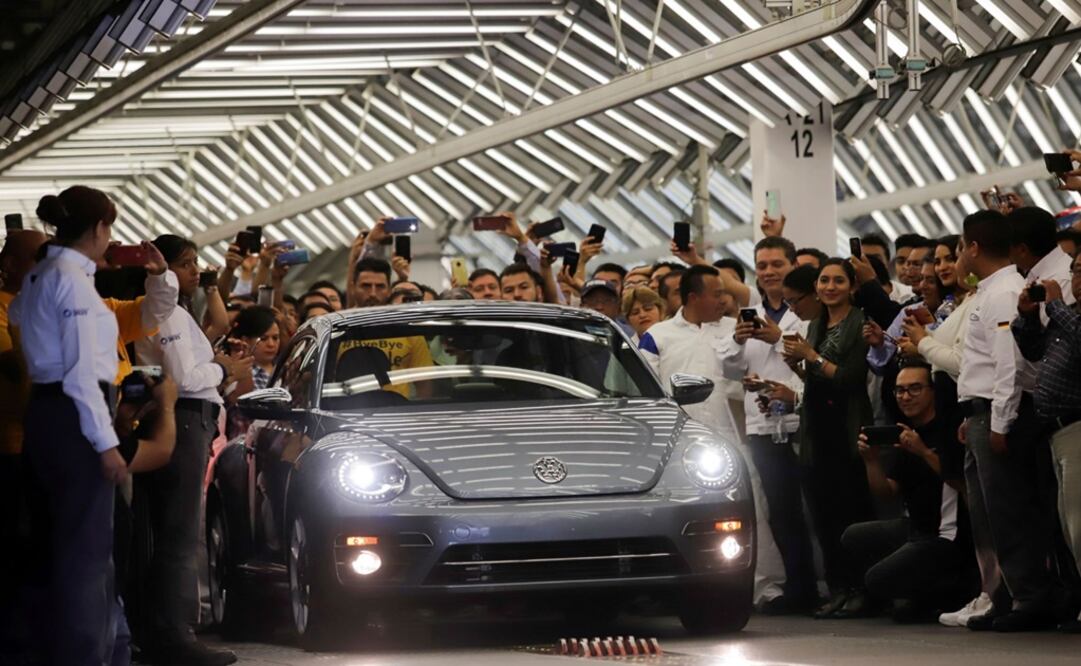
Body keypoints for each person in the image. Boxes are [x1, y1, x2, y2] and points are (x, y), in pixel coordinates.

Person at [10, 187, 129, 665]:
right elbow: (82, 374)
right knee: (85, 552)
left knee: (50, 544)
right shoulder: (72, 281)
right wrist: (106, 444)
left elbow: (19, 316)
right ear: (100, 228)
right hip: (75, 414)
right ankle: (85, 657)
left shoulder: (39, 275)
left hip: (41, 411)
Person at [639, 265, 787, 607]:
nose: (724, 299)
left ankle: (768, 588)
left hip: (733, 435)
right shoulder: (657, 336)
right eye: (716, 293)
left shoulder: (735, 330)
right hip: (678, 445)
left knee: (754, 510)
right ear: (693, 297)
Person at [133, 235, 247, 665]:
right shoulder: (165, 314)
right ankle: (174, 634)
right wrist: (223, 368)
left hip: (182, 416)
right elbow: (181, 374)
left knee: (170, 531)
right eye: (186, 263)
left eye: (196, 261)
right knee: (178, 532)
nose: (195, 271)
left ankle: (165, 629)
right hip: (180, 415)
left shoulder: (176, 312)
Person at [956, 209, 1058, 632]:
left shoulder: (1004, 291)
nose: (959, 256)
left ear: (974, 247)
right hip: (979, 412)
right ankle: (1002, 596)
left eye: (961, 247)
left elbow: (1009, 364)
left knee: (1008, 511)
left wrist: (999, 421)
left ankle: (1030, 597)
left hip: (1001, 415)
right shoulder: (989, 290)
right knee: (985, 515)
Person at [719, 236, 818, 614]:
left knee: (814, 508)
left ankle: (826, 583)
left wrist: (778, 339)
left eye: (777, 264)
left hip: (800, 421)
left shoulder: (808, 313)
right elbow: (729, 369)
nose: (769, 272)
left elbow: (814, 362)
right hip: (763, 425)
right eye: (762, 266)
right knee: (780, 508)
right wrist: (736, 340)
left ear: (793, 265)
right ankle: (799, 586)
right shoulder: (750, 315)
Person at [781, 258, 874, 619]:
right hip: (818, 428)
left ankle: (861, 588)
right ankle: (837, 588)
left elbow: (850, 378)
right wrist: (799, 367)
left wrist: (812, 358)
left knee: (851, 512)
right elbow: (818, 379)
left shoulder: (859, 323)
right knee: (823, 516)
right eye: (824, 280)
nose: (830, 287)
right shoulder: (816, 323)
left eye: (838, 281)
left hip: (846, 428)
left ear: (851, 287)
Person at [842, 362, 971, 622]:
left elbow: (964, 485)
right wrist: (871, 461)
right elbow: (887, 492)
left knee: (877, 579)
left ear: (933, 391)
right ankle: (912, 594)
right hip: (915, 528)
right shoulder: (907, 432)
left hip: (947, 536)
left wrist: (923, 452)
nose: (905, 396)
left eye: (914, 389)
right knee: (853, 536)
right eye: (900, 390)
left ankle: (946, 593)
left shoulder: (950, 430)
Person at [1011, 252, 1081, 633]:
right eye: (1076, 270)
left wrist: (1055, 306)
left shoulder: (1068, 316)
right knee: (1068, 528)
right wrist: (1026, 316)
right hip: (1054, 430)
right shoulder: (1069, 315)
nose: (1078, 277)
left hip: (1077, 427)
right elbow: (1037, 350)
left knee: (1080, 525)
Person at [862, 233, 914, 304]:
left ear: (887, 262)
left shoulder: (909, 294)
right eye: (864, 259)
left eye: (876, 258)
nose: (870, 264)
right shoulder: (848, 299)